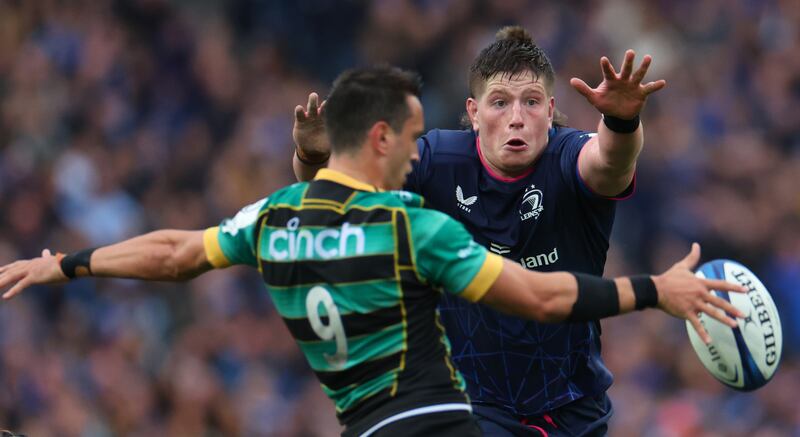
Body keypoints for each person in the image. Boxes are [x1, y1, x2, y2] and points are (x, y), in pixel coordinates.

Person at [0, 66, 741, 437]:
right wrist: (655, 291)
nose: (423, 149)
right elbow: (544, 297)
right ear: (381, 138)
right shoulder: (411, 227)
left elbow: (173, 253)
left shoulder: (277, 218)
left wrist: (67, 262)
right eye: (415, 135)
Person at [292, 27, 668, 436]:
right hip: (470, 403)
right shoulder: (435, 161)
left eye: (531, 102)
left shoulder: (569, 157)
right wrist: (313, 154)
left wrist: (621, 118)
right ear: (474, 112)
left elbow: (611, 162)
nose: (517, 118)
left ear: (550, 109)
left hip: (570, 404)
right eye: (500, 103)